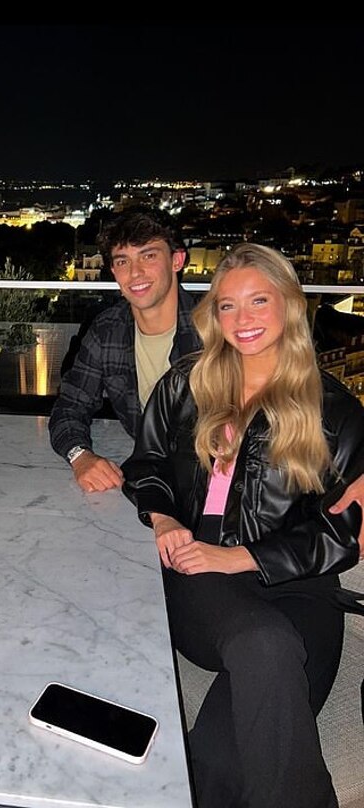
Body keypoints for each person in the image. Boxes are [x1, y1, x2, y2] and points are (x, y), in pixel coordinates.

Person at [122, 243, 364, 808]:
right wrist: (163, 519)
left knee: (217, 761)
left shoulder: (332, 408)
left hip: (302, 590)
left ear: (290, 305)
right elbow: (146, 464)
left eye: (259, 300)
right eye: (227, 305)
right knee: (265, 640)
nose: (242, 318)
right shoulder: (186, 384)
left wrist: (247, 556)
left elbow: (345, 532)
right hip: (203, 580)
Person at [48, 206, 200, 493]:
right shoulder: (108, 330)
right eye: (122, 261)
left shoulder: (215, 329)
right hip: (149, 477)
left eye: (148, 256)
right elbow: (70, 405)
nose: (135, 273)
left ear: (177, 260)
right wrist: (80, 456)